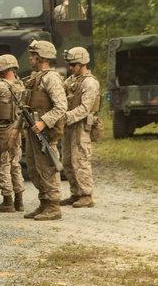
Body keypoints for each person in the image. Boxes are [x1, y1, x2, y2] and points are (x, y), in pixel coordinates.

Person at [12, 40, 67, 221]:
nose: (30, 58)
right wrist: (16, 130)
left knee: (47, 168)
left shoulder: (51, 78)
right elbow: (26, 107)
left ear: (41, 57)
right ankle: (44, 203)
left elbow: (61, 106)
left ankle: (53, 206)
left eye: (33, 55)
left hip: (44, 131)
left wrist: (44, 122)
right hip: (33, 131)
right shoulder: (37, 77)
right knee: (35, 169)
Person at [59, 47, 101, 208]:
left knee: (81, 160)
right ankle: (75, 193)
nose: (71, 67)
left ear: (82, 63)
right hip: (70, 125)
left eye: (74, 64)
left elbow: (85, 108)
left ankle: (86, 194)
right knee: (67, 161)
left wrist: (66, 117)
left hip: (81, 126)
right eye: (70, 64)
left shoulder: (89, 83)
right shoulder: (72, 80)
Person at [0, 54, 25, 213]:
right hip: (16, 128)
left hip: (2, 129)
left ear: (2, 68)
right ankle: (19, 201)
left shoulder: (1, 87)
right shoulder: (19, 84)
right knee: (15, 164)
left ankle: (8, 201)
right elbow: (5, 84)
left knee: (1, 164)